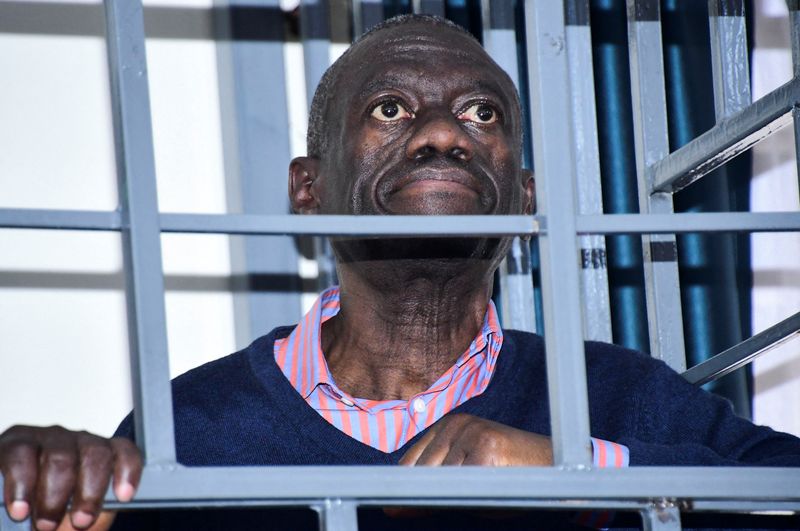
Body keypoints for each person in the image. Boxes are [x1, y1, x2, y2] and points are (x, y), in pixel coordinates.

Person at [2, 14, 799, 531]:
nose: (445, 133)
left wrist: (583, 469)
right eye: (390, 109)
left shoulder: (614, 396)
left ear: (524, 202)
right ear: (307, 193)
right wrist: (48, 489)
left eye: (482, 113)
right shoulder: (189, 426)